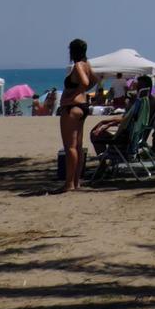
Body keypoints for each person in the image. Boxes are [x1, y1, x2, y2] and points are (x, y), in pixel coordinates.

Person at [58, 38, 95, 193]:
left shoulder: (79, 65)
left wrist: (72, 95)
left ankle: (69, 183)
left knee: (70, 146)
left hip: (72, 108)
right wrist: (81, 92)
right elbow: (94, 81)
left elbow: (86, 82)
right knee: (78, 146)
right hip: (82, 106)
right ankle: (76, 181)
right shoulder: (87, 65)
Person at [90, 75, 152, 155]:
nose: (136, 88)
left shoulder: (142, 104)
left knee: (95, 134)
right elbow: (129, 118)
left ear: (144, 88)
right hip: (135, 135)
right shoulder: (147, 102)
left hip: (128, 138)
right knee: (98, 130)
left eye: (138, 86)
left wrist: (107, 124)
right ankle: (106, 157)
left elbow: (128, 119)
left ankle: (104, 160)